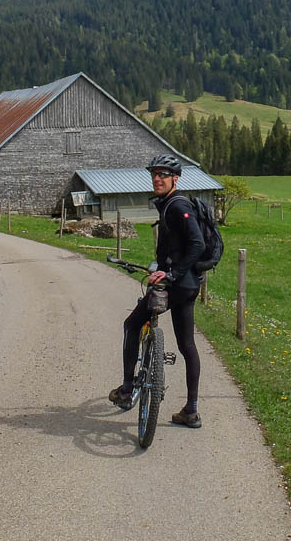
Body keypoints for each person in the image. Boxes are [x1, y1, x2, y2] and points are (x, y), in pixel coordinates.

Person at [108, 154, 205, 428]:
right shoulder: (168, 205)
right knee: (187, 346)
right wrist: (161, 267)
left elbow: (196, 245)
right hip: (187, 284)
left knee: (131, 324)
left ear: (176, 178)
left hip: (177, 283)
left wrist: (170, 273)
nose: (157, 179)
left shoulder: (176, 206)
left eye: (163, 174)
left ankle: (127, 390)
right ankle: (191, 410)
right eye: (155, 174)